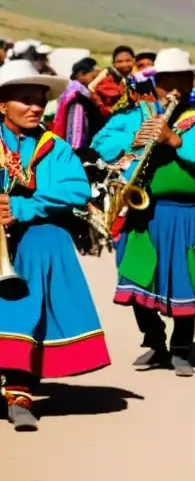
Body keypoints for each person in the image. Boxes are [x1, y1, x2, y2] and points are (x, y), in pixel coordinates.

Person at [91, 48, 195, 377]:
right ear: (157, 82)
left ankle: (181, 349)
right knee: (139, 277)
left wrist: (176, 142)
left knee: (188, 280)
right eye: (168, 80)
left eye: (182, 79)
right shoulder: (136, 114)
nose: (175, 87)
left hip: (191, 212)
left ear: (190, 81)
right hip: (146, 210)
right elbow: (101, 141)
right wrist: (133, 139)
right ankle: (154, 342)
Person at [0, 60, 111, 430]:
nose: (35, 108)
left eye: (40, 101)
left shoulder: (56, 148)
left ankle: (19, 390)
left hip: (32, 236)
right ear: (2, 105)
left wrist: (21, 207)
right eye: (25, 100)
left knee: (46, 241)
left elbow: (75, 190)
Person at [52, 57, 103, 151]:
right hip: (75, 137)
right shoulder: (77, 90)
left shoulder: (71, 87)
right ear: (81, 75)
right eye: (91, 76)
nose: (93, 79)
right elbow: (76, 126)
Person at [91, 46, 136, 118]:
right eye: (119, 61)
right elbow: (92, 88)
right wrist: (102, 106)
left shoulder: (137, 78)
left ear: (134, 61)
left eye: (128, 60)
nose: (124, 64)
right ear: (113, 63)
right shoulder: (107, 79)